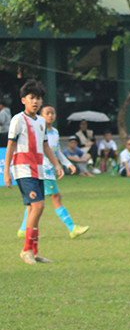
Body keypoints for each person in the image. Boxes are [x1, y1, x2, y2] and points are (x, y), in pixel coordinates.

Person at [4, 79, 64, 264]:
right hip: (23, 169)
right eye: (32, 98)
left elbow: (45, 145)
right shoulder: (17, 120)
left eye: (38, 98)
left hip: (39, 170)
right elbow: (11, 145)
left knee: (34, 209)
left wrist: (56, 164)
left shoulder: (40, 121)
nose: (35, 102)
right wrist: (6, 171)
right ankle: (26, 250)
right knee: (38, 206)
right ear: (23, 100)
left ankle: (35, 251)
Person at [19, 105, 89, 240]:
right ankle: (72, 228)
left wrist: (67, 163)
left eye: (52, 113)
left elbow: (57, 151)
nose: (50, 115)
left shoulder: (55, 132)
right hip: (43, 170)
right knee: (55, 197)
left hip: (49, 170)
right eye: (47, 113)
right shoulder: (37, 130)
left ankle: (23, 229)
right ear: (41, 116)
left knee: (34, 202)